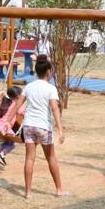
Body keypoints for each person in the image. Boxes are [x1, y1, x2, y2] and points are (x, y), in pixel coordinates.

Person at [21, 55, 67, 199]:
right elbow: (54, 108)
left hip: (28, 125)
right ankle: (59, 190)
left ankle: (28, 192)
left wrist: (9, 122)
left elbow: (17, 104)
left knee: (29, 159)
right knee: (51, 157)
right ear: (48, 71)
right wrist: (60, 129)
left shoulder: (28, 86)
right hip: (43, 127)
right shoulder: (50, 88)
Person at [0, 85, 23, 166]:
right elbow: (25, 113)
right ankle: (2, 154)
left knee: (8, 142)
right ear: (18, 96)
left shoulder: (4, 101)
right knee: (14, 143)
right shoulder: (17, 105)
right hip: (4, 128)